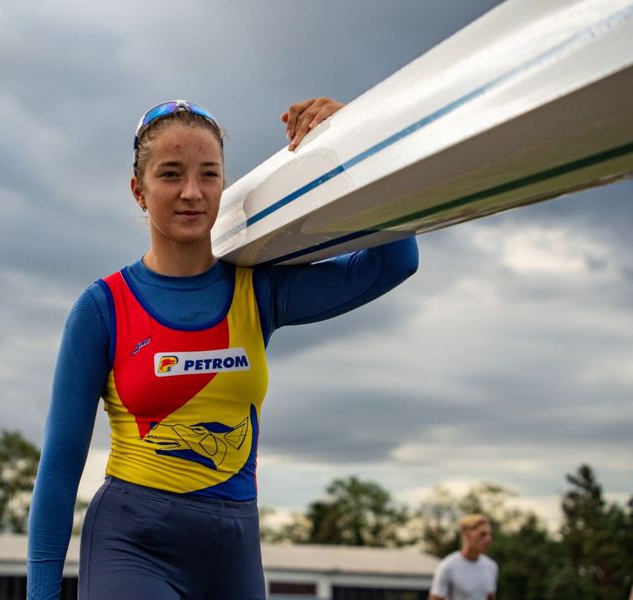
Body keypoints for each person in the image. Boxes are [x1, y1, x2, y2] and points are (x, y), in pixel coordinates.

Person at [27, 97, 419, 600]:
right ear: (138, 191)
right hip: (133, 546)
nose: (192, 192)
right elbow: (60, 469)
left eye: (208, 174)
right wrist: (40, 593)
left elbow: (393, 262)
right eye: (170, 174)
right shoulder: (103, 308)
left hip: (234, 548)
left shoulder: (258, 292)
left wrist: (355, 136)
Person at [429, 514, 499, 600]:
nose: (488, 539)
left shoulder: (491, 566)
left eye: (489, 535)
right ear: (467, 535)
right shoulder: (448, 566)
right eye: (482, 534)